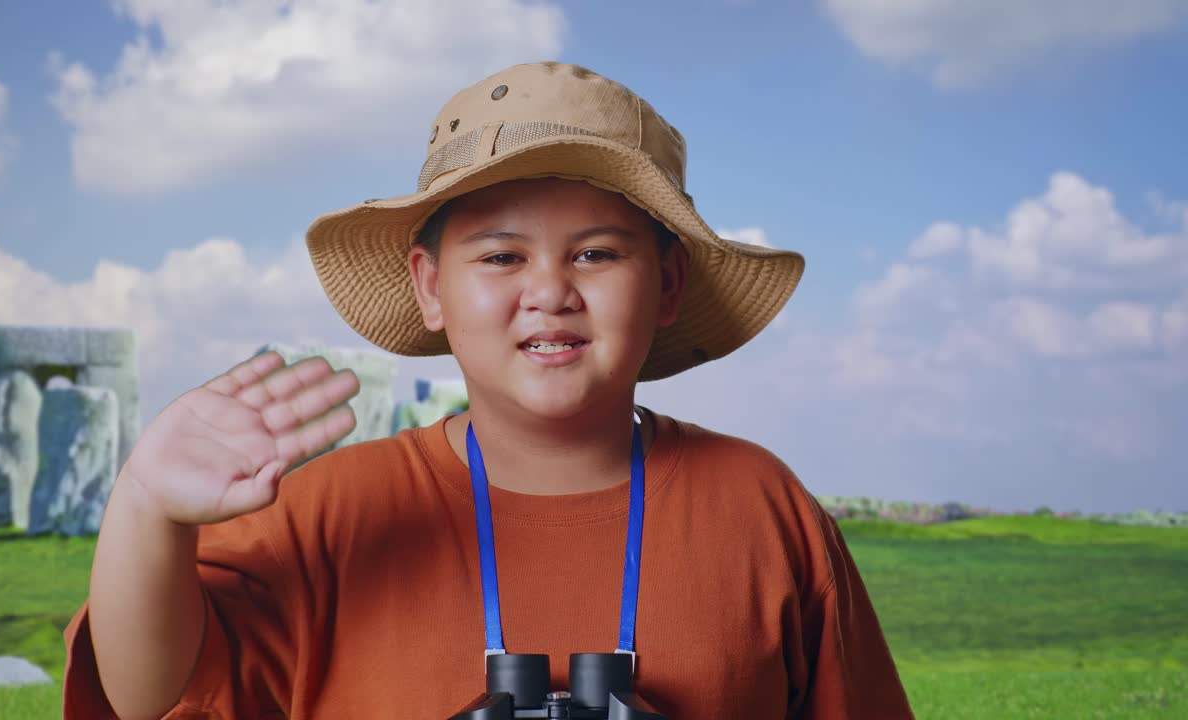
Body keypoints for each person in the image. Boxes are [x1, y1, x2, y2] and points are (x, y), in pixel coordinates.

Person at [61, 61, 915, 719]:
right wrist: (145, 506)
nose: (549, 290)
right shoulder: (331, 512)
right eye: (501, 256)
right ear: (430, 287)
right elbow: (149, 696)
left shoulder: (760, 506)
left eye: (598, 254)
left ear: (668, 285)